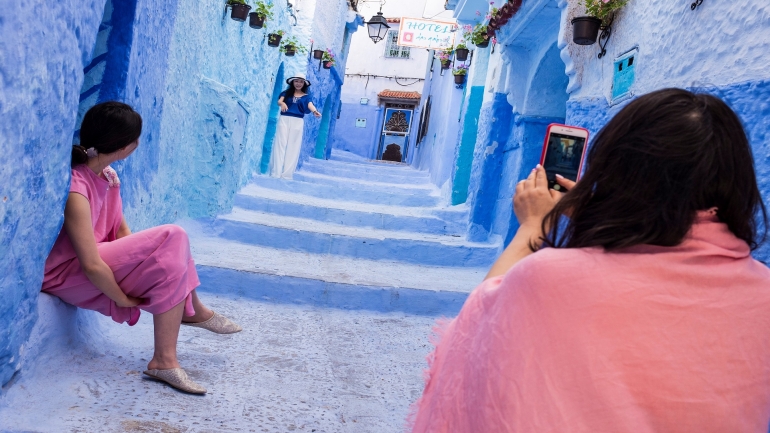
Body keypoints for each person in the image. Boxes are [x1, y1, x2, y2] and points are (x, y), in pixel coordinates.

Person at [409, 88, 770, 432]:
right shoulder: (762, 290)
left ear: (614, 172)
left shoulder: (552, 279)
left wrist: (533, 228)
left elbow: (475, 335)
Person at [42, 102, 242, 395]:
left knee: (172, 251)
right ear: (125, 147)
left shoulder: (108, 177)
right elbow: (91, 264)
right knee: (174, 235)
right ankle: (189, 316)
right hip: (67, 274)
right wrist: (121, 298)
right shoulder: (77, 188)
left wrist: (148, 265)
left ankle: (169, 351)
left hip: (99, 259)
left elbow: (122, 232)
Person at [269, 73, 322, 179]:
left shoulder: (307, 96)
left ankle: (287, 175)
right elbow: (280, 101)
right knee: (280, 144)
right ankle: (276, 173)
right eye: (296, 81)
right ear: (293, 82)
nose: (298, 83)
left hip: (297, 121)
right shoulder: (286, 93)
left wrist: (315, 111)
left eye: (301, 82)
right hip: (284, 119)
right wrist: (282, 104)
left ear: (304, 84)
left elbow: (309, 104)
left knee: (293, 147)